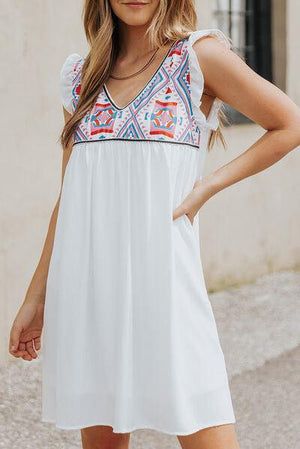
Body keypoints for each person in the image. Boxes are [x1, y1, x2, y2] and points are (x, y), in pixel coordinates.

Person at [8, 1, 300, 448]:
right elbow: (70, 196)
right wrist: (36, 298)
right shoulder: (80, 77)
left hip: (167, 286)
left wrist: (207, 187)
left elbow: (287, 124)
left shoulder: (197, 58)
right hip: (92, 291)